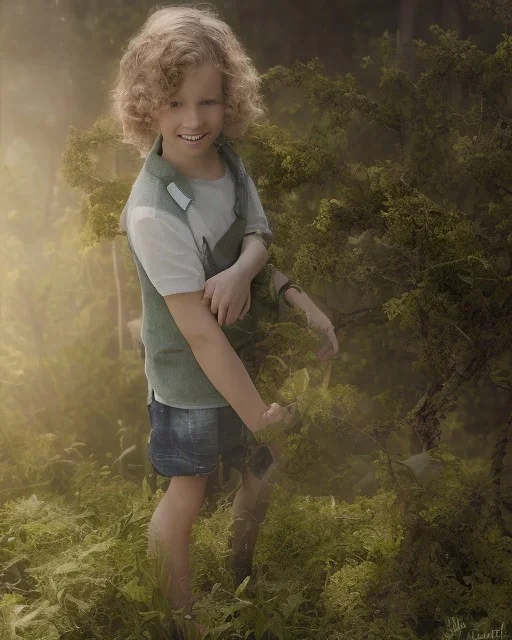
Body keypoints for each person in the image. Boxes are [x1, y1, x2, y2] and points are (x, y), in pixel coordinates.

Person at [111, 5, 339, 638]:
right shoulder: (154, 213)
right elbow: (201, 333)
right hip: (191, 380)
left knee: (262, 470)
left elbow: (258, 235)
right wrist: (259, 414)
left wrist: (275, 288)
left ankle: (240, 575)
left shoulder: (228, 160)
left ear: (228, 99)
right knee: (184, 498)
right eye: (175, 103)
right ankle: (181, 624)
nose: (193, 121)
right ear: (144, 105)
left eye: (208, 102)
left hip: (244, 359)